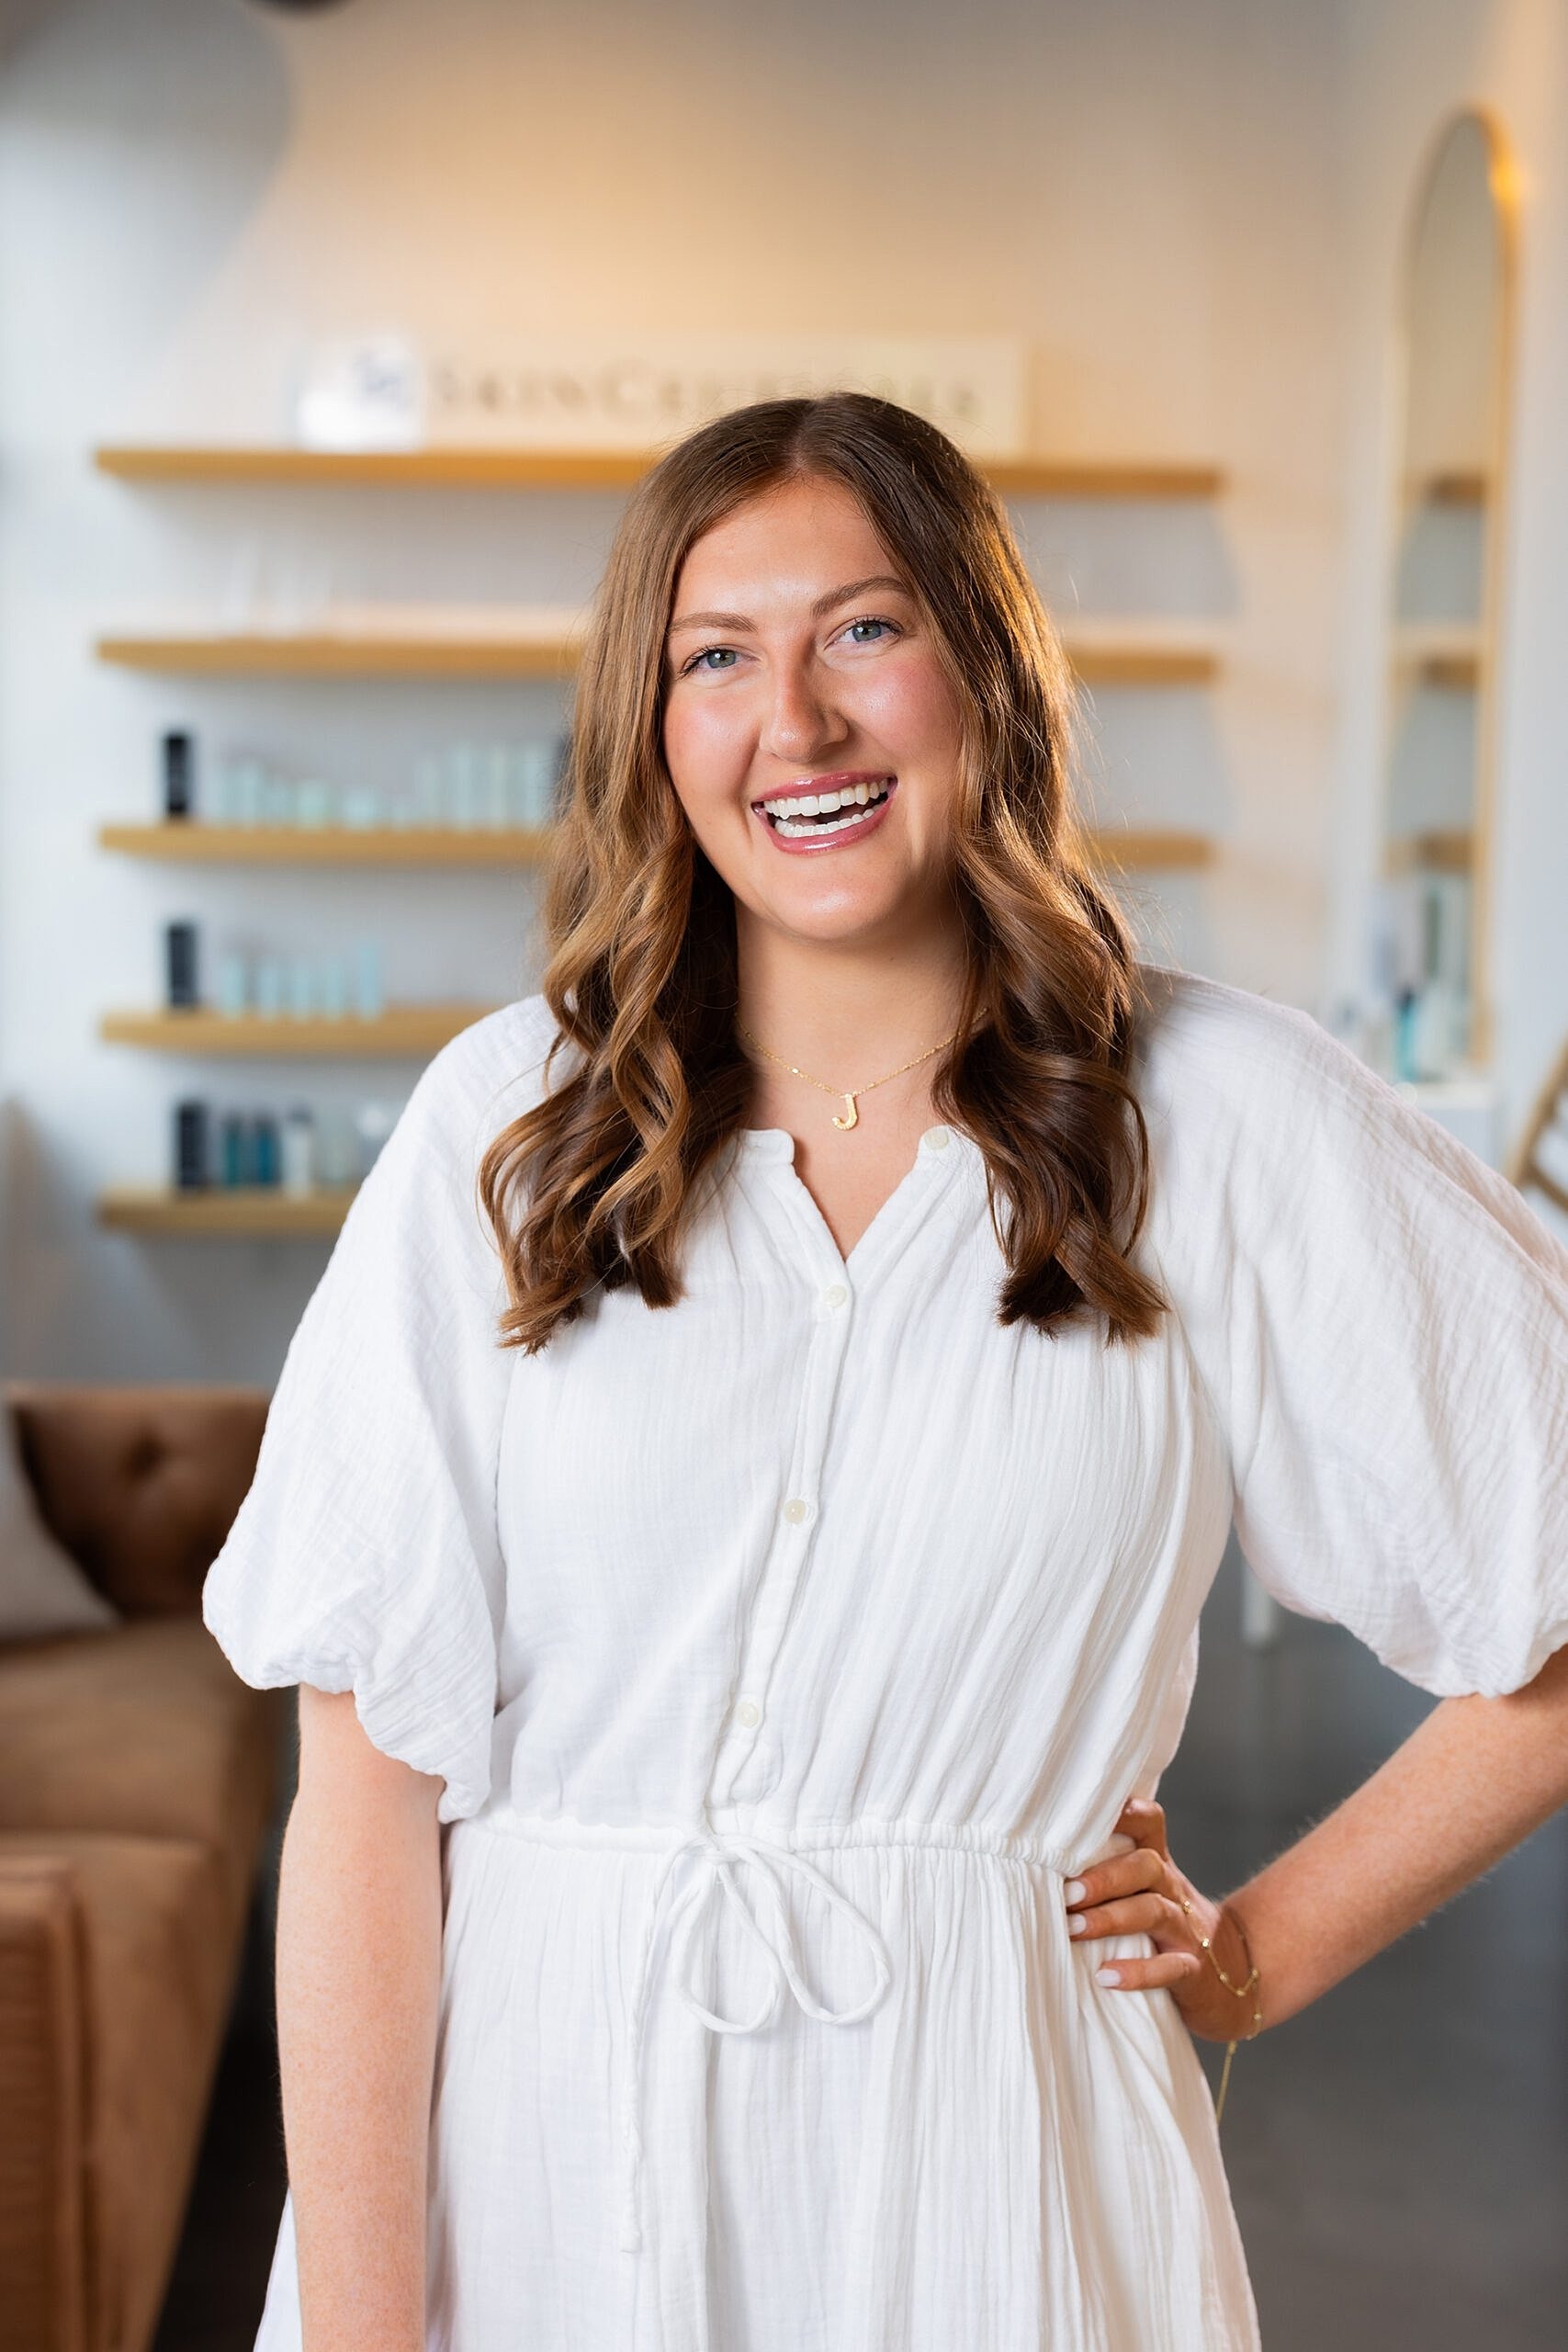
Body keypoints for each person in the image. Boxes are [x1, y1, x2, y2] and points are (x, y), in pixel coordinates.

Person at [201, 391, 1568, 2352]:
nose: (797, 725)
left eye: (862, 629)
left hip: (993, 2171)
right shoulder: (505, 1126)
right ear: (650, 727)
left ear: (984, 674)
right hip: (536, 2167)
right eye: (715, 656)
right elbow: (362, 1789)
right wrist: (358, 2331)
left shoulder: (1216, 1116)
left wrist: (1258, 1951)